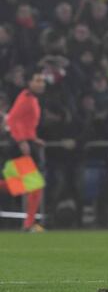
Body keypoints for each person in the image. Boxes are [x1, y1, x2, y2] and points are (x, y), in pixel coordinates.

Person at [5, 67, 46, 232]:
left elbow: (25, 122)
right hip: (20, 146)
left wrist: (34, 138)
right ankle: (28, 224)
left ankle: (28, 224)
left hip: (26, 143)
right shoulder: (26, 98)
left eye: (42, 80)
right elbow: (13, 119)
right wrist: (22, 141)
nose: (41, 84)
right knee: (34, 187)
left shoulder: (32, 98)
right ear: (29, 83)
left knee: (20, 185)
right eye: (37, 80)